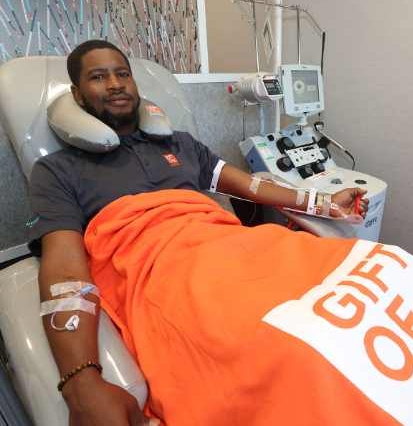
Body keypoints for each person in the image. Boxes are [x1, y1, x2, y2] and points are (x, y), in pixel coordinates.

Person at [27, 40, 369, 426]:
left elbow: (254, 186)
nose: (116, 83)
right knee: (290, 348)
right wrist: (80, 380)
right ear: (77, 93)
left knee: (373, 273)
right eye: (99, 76)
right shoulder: (57, 169)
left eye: (122, 73)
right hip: (170, 269)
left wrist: (325, 203)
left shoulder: (180, 145)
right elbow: (64, 265)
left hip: (239, 246)